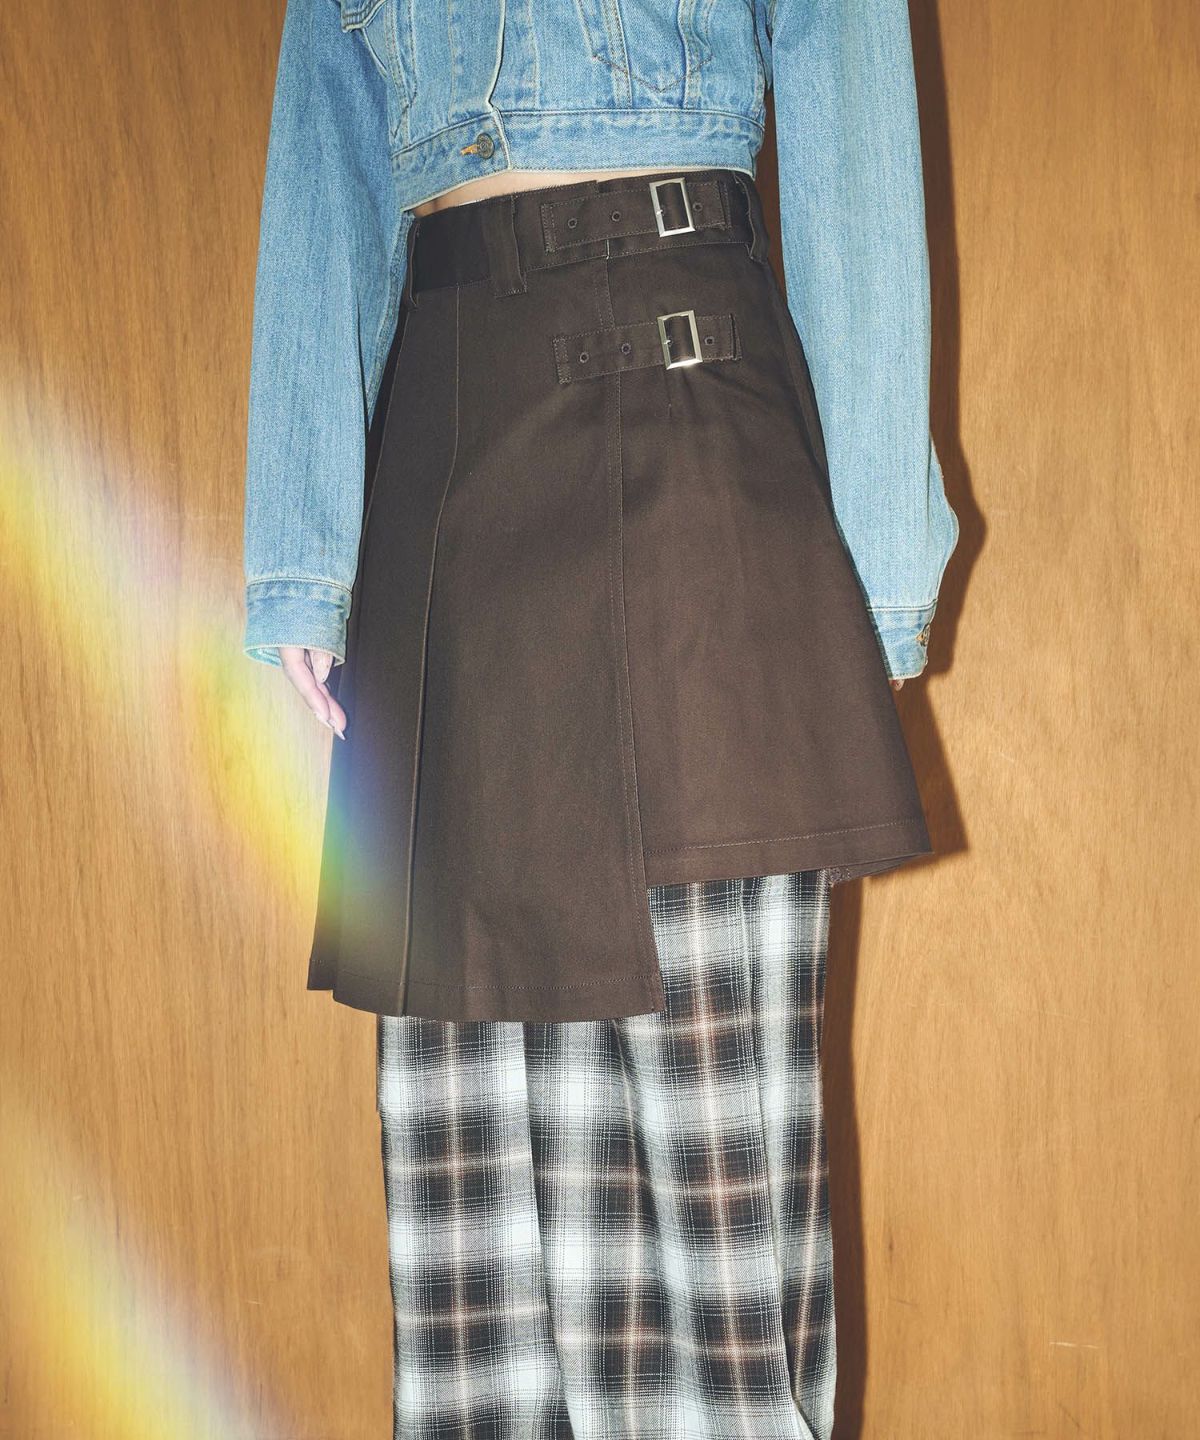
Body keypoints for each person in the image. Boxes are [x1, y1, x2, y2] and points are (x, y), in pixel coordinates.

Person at [241, 1, 959, 1435]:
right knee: (469, 1193)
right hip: (447, 478)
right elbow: (325, 147)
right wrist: (302, 551)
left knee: (718, 1177)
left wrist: (883, 563)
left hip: (693, 430)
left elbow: (852, 119)